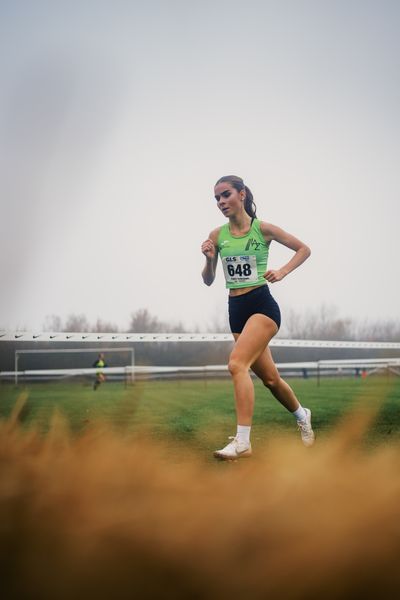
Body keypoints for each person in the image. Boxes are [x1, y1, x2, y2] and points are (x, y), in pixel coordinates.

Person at [201, 175, 315, 460]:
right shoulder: (217, 236)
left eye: (225, 195)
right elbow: (208, 280)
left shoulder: (263, 229)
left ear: (241, 194)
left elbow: (304, 249)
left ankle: (242, 442)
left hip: (262, 306)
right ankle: (302, 415)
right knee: (271, 380)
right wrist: (208, 259)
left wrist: (283, 271)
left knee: (236, 364)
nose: (221, 202)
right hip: (236, 311)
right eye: (216, 198)